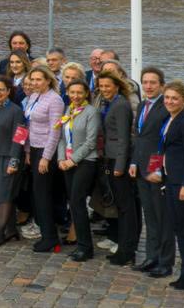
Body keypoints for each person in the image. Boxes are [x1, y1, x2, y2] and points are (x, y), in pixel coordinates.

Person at [155, 80, 184, 291]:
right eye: (167, 97)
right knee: (180, 228)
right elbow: (162, 148)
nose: (170, 101)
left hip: (183, 183)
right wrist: (156, 169)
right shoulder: (169, 119)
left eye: (174, 98)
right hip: (170, 180)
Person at [129, 67, 172, 278]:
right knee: (150, 216)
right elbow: (139, 136)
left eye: (153, 82)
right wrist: (134, 162)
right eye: (145, 82)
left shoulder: (166, 107)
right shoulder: (143, 104)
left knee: (162, 217)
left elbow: (164, 142)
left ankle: (165, 262)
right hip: (142, 170)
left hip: (157, 171)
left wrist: (157, 168)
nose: (148, 86)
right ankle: (151, 256)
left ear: (161, 85)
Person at [95, 70, 137, 265]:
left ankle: (127, 249)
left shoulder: (120, 105)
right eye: (101, 86)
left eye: (107, 86)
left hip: (118, 160)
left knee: (125, 206)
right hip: (110, 157)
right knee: (120, 205)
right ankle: (124, 245)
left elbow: (123, 138)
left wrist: (119, 166)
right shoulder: (110, 103)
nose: (104, 89)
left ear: (117, 86)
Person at [21, 66, 65, 253]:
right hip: (35, 148)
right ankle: (46, 233)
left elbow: (55, 130)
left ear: (48, 80)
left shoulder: (55, 100)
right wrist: (28, 151)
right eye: (33, 80)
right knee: (37, 194)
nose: (35, 83)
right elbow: (29, 124)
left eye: (39, 79)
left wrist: (45, 158)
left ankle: (50, 238)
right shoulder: (33, 96)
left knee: (44, 194)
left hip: (47, 151)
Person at [57, 79, 100, 261]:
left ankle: (85, 246)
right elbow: (62, 138)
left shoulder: (91, 112)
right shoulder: (69, 110)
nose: (75, 96)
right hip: (67, 161)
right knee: (73, 202)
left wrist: (73, 160)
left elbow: (91, 142)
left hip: (84, 162)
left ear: (86, 94)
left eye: (79, 93)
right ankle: (82, 243)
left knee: (77, 201)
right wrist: (61, 159)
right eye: (72, 92)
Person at [0, 76, 27, 246]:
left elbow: (19, 137)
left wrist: (14, 161)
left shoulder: (16, 111)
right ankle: (11, 230)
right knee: (0, 193)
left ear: (9, 91)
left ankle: (0, 232)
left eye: (1, 89)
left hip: (8, 156)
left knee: (5, 195)